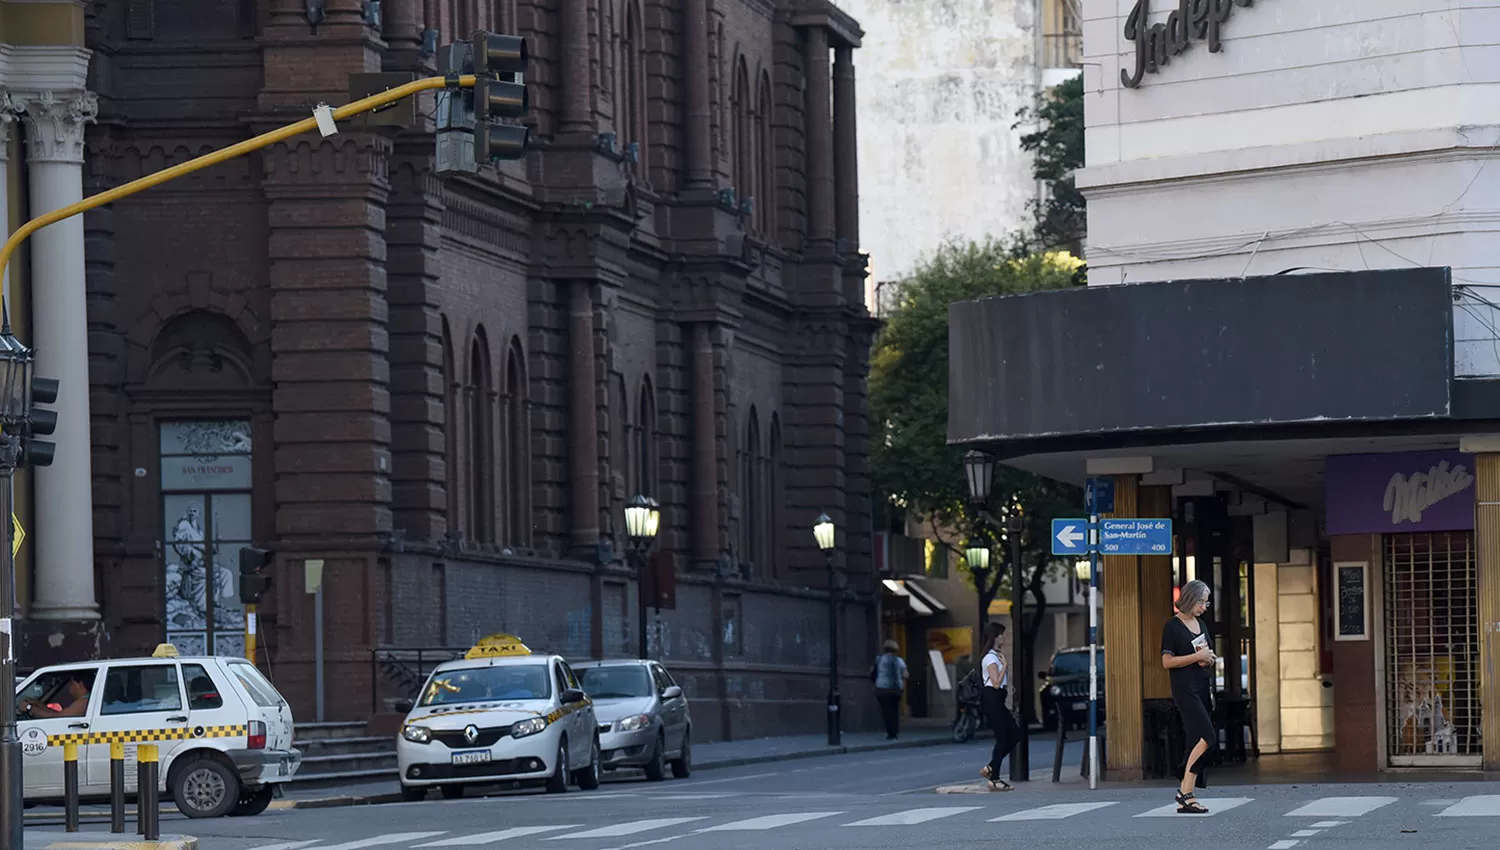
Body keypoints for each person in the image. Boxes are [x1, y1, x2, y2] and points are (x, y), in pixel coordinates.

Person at [1161, 579, 1218, 814]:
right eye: (1201, 602)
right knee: (1208, 738)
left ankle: (1187, 794)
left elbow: (1207, 654)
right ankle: (1185, 790)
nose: (1204, 606)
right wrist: (1196, 658)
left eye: (1206, 602)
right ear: (1190, 599)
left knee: (1196, 740)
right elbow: (1167, 662)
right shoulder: (1172, 626)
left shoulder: (1200, 624)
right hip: (1185, 689)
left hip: (1202, 685)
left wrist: (1207, 658)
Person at [978, 621, 1018, 791]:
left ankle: (991, 768)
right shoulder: (990, 657)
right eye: (1002, 634)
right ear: (995, 636)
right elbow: (995, 683)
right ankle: (994, 778)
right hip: (992, 698)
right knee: (1004, 737)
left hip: (997, 699)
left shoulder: (996, 655)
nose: (1005, 637)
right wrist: (1006, 667)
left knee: (1014, 734)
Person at [871, 639, 908, 740]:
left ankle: (889, 732)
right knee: (895, 710)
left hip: (882, 688)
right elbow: (906, 675)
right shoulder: (900, 661)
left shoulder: (879, 659)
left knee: (886, 711)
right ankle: (895, 732)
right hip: (896, 689)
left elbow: (872, 672)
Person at [21, 672, 92, 719]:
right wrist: (37, 703)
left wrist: (29, 707)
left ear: (79, 685)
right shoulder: (86, 700)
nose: (69, 687)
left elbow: (57, 718)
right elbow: (58, 714)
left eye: (71, 684)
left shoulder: (83, 702)